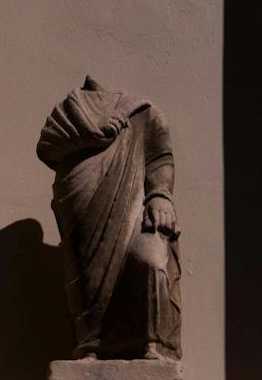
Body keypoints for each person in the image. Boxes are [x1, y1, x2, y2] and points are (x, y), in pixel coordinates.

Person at [36, 77, 181, 360]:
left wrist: (160, 195)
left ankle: (153, 344)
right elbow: (47, 147)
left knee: (150, 261)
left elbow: (161, 158)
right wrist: (88, 136)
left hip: (135, 208)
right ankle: (90, 346)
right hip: (81, 202)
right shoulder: (68, 110)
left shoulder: (142, 111)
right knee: (87, 275)